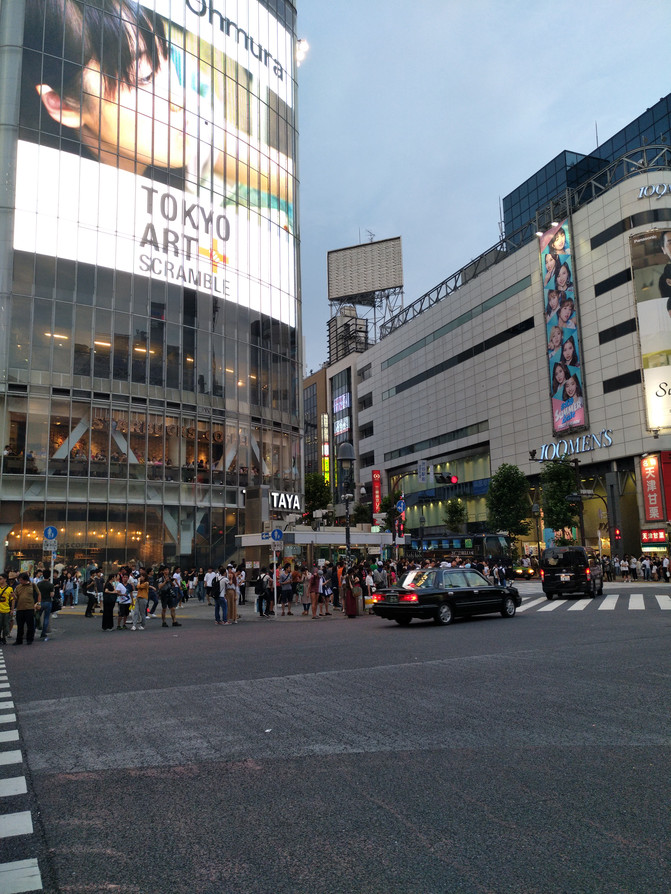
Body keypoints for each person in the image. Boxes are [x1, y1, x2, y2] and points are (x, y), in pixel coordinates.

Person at [22, 0, 196, 178]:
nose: (181, 99)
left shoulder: (183, 128)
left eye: (167, 54)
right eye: (145, 76)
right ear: (63, 105)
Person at [11, 572, 40, 645]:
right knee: (20, 626)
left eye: (21, 580)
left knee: (30, 625)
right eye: (19, 580)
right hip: (20, 608)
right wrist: (14, 597)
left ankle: (29, 639)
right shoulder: (18, 587)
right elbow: (16, 598)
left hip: (29, 608)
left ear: (25, 579)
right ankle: (19, 640)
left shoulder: (32, 585)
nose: (20, 581)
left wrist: (38, 603)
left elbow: (38, 594)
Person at [35, 573, 54, 641]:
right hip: (48, 602)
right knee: (46, 618)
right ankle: (43, 633)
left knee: (37, 616)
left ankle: (33, 630)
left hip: (40, 602)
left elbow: (36, 593)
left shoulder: (39, 584)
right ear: (49, 576)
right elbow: (52, 595)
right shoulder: (50, 585)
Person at [0, 573, 13, 645]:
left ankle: (4, 638)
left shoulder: (9, 589)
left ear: (5, 579)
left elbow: (13, 599)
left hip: (6, 610)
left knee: (6, 626)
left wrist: (12, 609)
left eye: (1, 578)